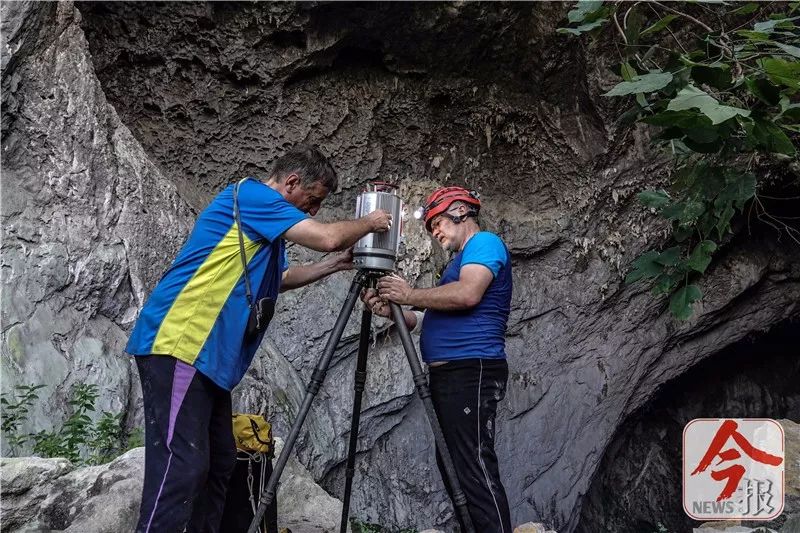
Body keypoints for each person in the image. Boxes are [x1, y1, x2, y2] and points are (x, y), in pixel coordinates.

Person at [125, 144, 392, 533]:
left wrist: (335, 265)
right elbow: (327, 236)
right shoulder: (253, 196)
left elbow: (281, 279)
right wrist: (371, 221)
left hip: (210, 359)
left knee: (218, 464)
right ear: (292, 182)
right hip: (181, 343)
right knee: (181, 465)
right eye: (313, 200)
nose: (312, 210)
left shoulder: (265, 226)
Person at [362, 186, 513, 532]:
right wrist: (394, 310)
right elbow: (430, 317)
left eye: (438, 222)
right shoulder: (457, 264)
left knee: (472, 466)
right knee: (454, 467)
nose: (435, 232)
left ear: (460, 210)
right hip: (454, 375)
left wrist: (410, 293)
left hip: (471, 370)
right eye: (431, 227)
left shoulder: (484, 243)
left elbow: (468, 294)